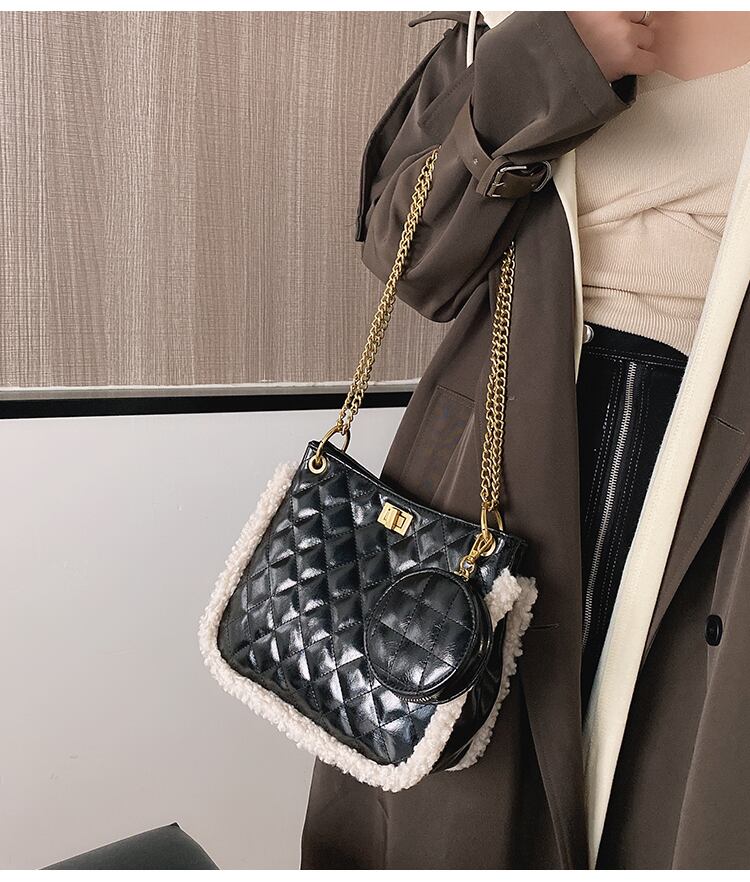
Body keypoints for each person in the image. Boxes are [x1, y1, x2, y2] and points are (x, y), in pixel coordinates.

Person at [301, 11, 750, 869]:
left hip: (721, 465)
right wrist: (552, 59)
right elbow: (410, 258)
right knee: (461, 794)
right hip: (504, 441)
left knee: (677, 791)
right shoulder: (519, 16)